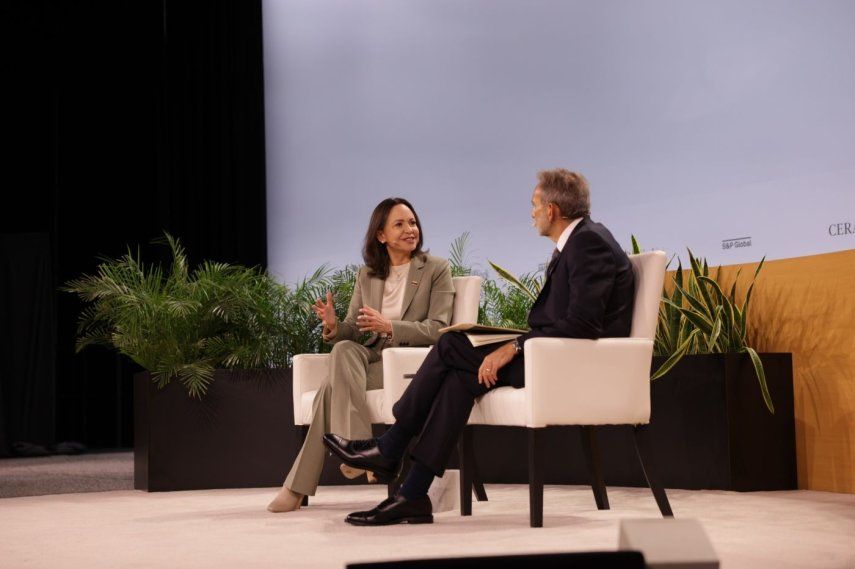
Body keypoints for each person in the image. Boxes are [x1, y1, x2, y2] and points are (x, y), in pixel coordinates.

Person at [324, 168, 636, 525]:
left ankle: (391, 445)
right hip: (551, 353)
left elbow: (582, 324)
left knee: (450, 342)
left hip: (568, 362)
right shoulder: (580, 241)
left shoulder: (588, 242)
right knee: (458, 379)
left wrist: (513, 346)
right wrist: (515, 343)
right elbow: (569, 320)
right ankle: (412, 494)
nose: (532, 213)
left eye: (535, 205)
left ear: (552, 210)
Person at [267, 198, 454, 513]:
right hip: (371, 359)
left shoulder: (436, 269)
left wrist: (389, 327)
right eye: (400, 224)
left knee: (329, 390)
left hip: (409, 364)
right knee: (343, 347)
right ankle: (360, 446)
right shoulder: (367, 275)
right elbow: (355, 330)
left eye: (412, 222)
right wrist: (334, 326)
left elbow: (439, 329)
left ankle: (298, 486)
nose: (410, 229)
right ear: (381, 235)